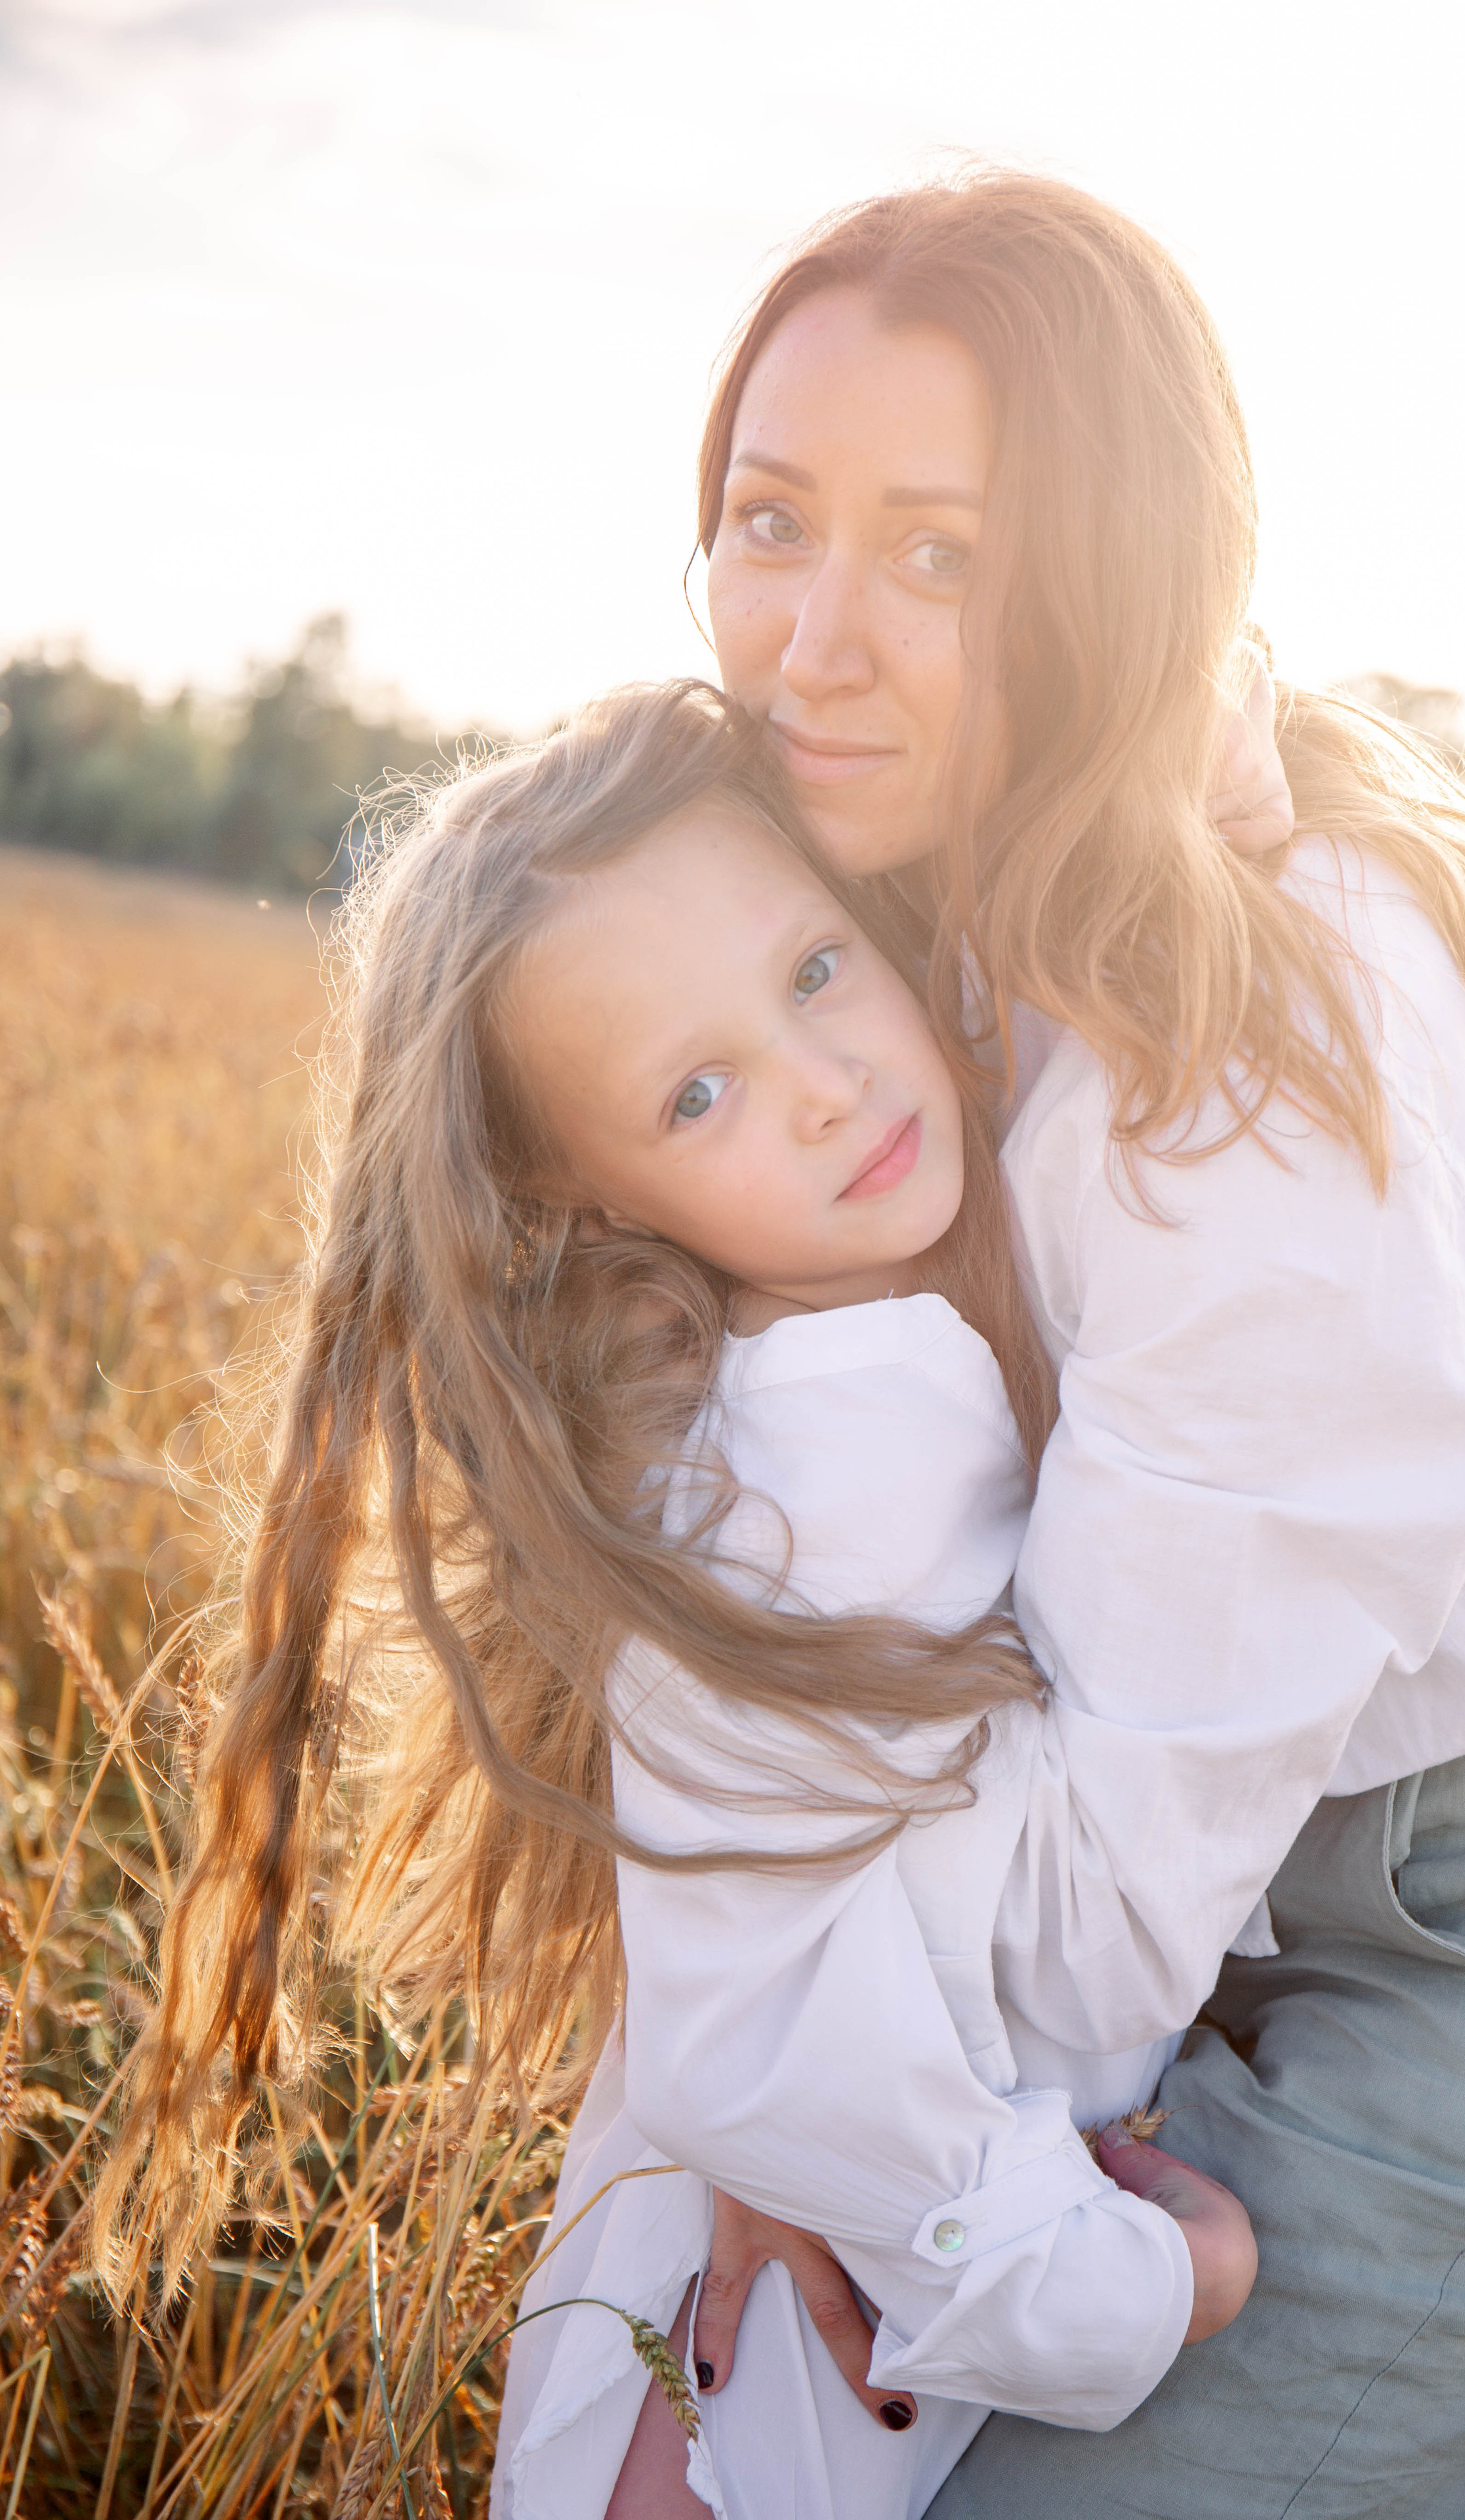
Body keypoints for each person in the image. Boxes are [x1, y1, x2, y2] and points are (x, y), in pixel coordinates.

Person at [674, 170, 1465, 2520]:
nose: (815, 635)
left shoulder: (1238, 1062)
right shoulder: (924, 913)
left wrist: (808, 2118)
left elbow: (1108, 1876)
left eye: (943, 552)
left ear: (1119, 577)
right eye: (768, 519)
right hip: (1240, 1868)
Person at [87, 680, 1253, 2519]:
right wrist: (1152, 2287)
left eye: (809, 972)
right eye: (695, 1094)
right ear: (577, 1192)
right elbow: (751, 2053)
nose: (824, 1087)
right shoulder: (776, 1486)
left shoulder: (879, 1343)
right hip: (773, 2428)